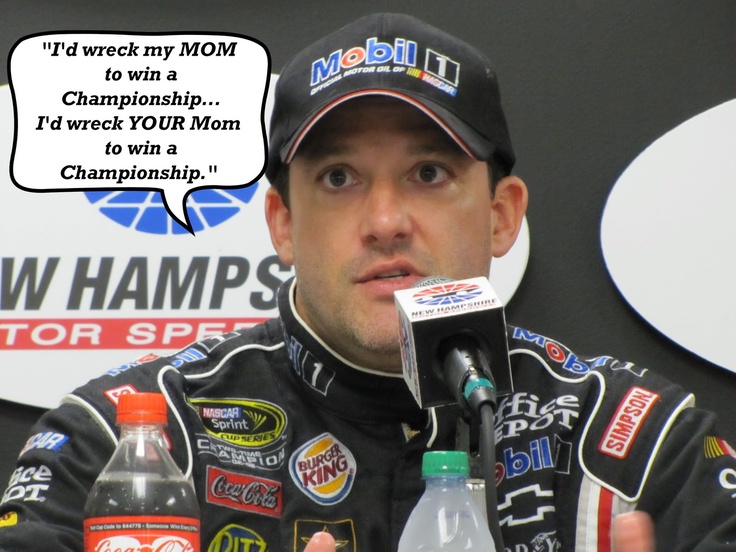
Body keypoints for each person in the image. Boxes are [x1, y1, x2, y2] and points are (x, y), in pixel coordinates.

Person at [1, 12, 734, 552]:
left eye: (428, 172)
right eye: (339, 178)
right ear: (284, 225)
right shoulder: (124, 441)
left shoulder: (640, 442)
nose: (385, 221)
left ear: (502, 215)